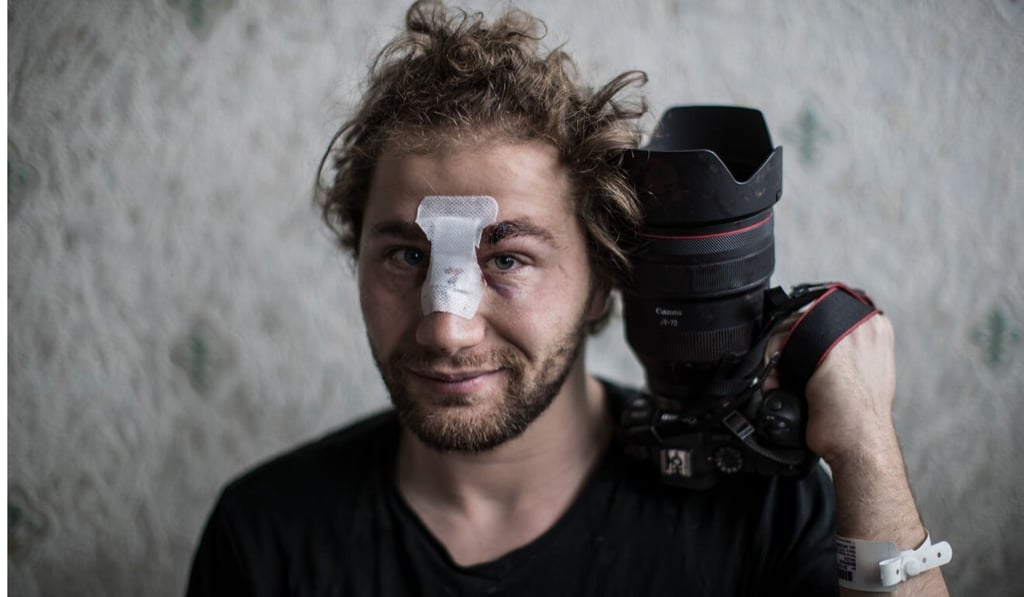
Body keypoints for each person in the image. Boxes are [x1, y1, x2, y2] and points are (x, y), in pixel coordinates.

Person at [186, 1, 951, 595]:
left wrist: (865, 454)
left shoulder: (758, 512)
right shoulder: (265, 537)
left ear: (601, 280)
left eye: (508, 257)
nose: (447, 325)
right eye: (406, 255)